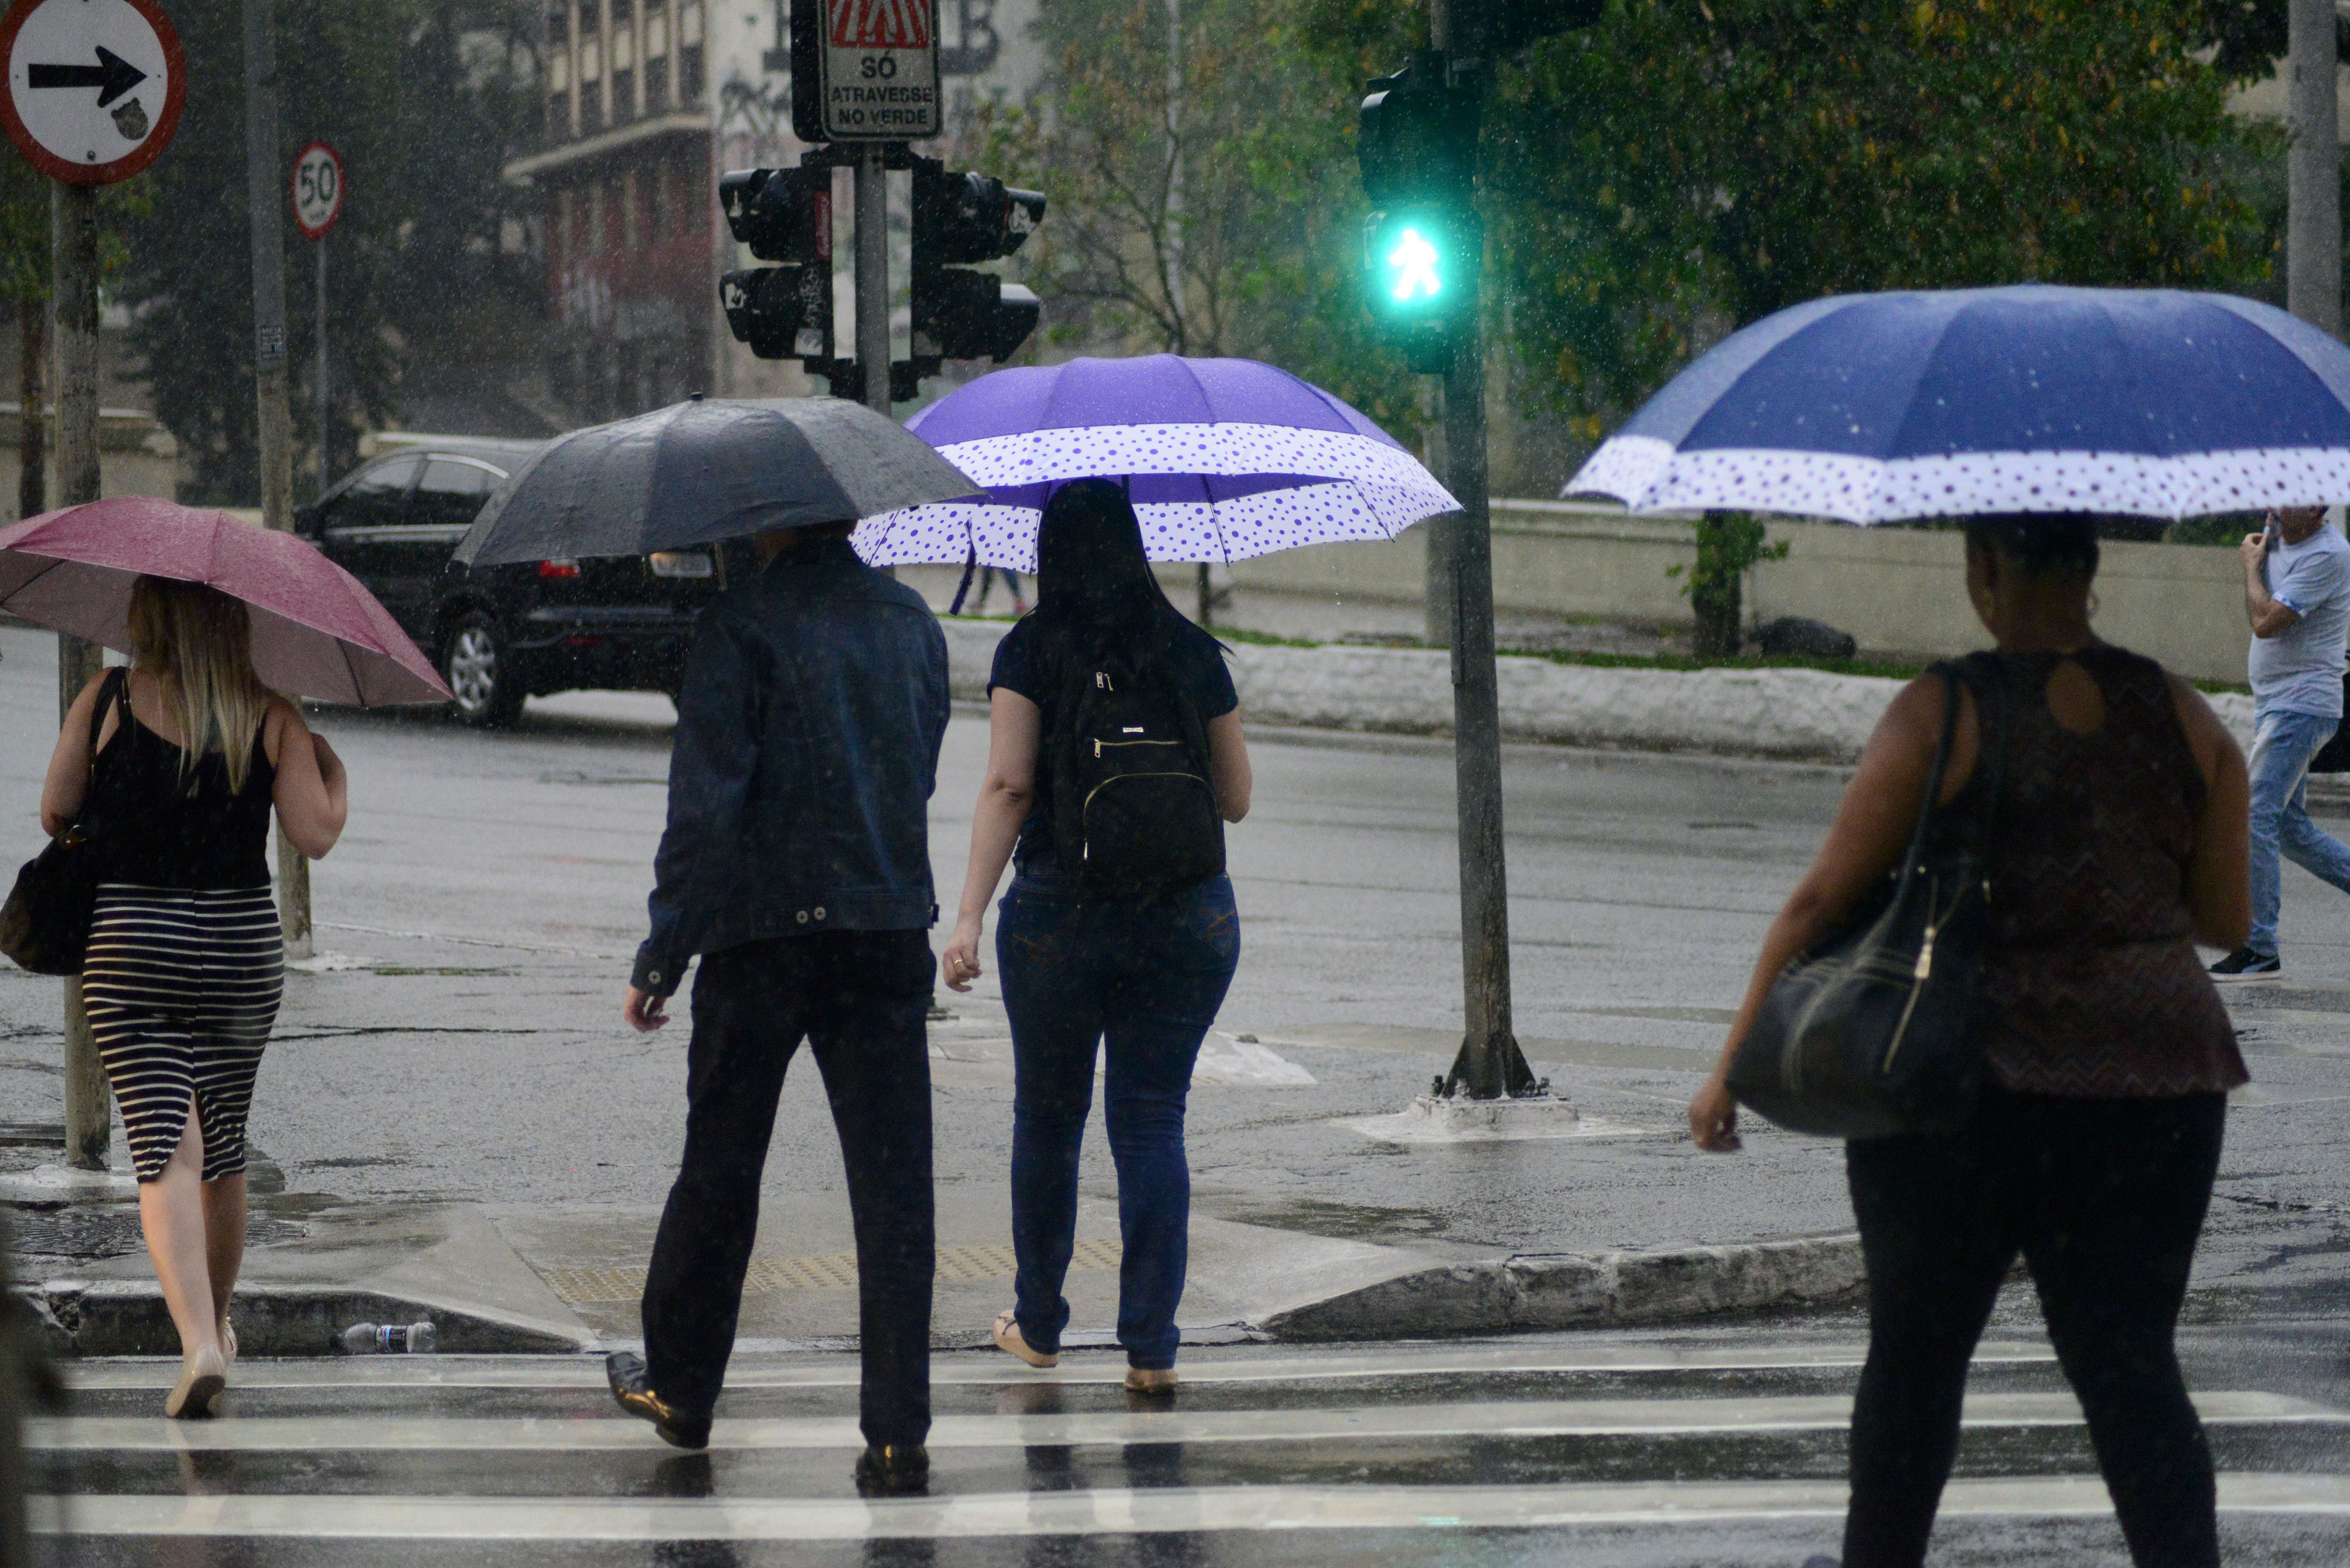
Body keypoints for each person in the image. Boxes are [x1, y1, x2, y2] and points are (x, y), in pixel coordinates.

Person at [1687, 514, 2250, 1568]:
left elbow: (1819, 903)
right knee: (2131, 1368)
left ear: (1983, 567)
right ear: (2090, 568)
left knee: (1916, 1361)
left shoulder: (1943, 711)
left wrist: (1728, 1068)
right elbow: (2224, 916)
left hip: (1962, 1093)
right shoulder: (2184, 715)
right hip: (2158, 1083)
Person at [606, 518, 948, 1496]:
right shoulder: (912, 621)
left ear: (768, 522)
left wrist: (664, 953)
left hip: (760, 940)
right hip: (884, 934)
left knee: (721, 1167)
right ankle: (896, 1434)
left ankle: (682, 1385)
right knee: (895, 1195)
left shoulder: (739, 626)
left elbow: (704, 813)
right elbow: (914, 771)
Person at [940, 479, 1251, 1395]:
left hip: (1059, 919)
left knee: (1048, 1119)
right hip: (1188, 918)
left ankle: (1037, 1325)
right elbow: (1233, 799)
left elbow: (1009, 788)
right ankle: (1150, 1348)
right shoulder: (1192, 650)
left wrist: (965, 916)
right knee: (1151, 1121)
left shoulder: (1031, 648)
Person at [37, 576, 348, 1419]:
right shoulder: (269, 713)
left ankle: (201, 1341)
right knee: (224, 1152)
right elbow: (314, 833)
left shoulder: (103, 698)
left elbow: (55, 809)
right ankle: (219, 1323)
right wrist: (335, 772)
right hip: (241, 952)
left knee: (163, 1152)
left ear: (145, 617)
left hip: (136, 945)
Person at [2208, 504, 2350, 978]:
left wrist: (2250, 567)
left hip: (2302, 704)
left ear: (2315, 508)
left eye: (2286, 496)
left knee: (2252, 813)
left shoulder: (2329, 554)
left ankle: (2258, 945)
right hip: (2277, 700)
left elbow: (2266, 620)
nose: (2272, 504)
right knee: (2288, 830)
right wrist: (2262, 552)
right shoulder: (2276, 535)